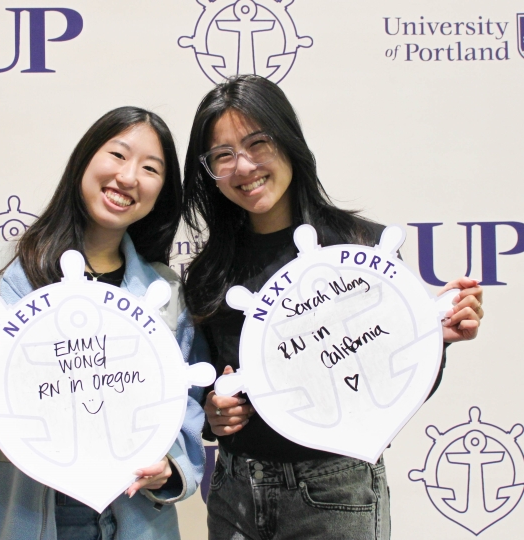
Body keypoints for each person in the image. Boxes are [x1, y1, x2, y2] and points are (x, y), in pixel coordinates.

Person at [182, 75, 484, 540]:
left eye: (257, 143)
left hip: (336, 490)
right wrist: (214, 412)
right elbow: (202, 385)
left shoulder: (360, 251)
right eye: (223, 155)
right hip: (235, 490)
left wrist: (432, 339)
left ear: (288, 140)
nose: (243, 166)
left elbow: (398, 388)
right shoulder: (209, 271)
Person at [0, 106, 208, 540]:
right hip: (19, 518)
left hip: (133, 518)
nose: (128, 177)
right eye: (118, 155)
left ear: (162, 191)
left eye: (150, 168)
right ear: (84, 159)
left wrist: (170, 466)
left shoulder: (165, 296)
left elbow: (187, 409)